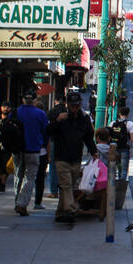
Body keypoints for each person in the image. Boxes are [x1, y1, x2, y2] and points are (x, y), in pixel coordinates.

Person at [47, 90, 95, 224]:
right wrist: (57, 121)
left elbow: (88, 137)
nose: (75, 108)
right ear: (68, 105)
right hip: (61, 157)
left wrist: (94, 151)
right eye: (73, 106)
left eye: (77, 105)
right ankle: (70, 209)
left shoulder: (84, 118)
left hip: (76, 158)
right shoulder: (60, 115)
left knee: (68, 186)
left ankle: (60, 213)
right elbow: (48, 131)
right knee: (66, 185)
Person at [14, 91, 48, 217]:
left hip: (18, 149)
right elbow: (46, 132)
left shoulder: (16, 112)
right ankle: (22, 204)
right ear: (35, 100)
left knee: (18, 175)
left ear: (23, 99)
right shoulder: (40, 114)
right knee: (30, 178)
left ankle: (17, 201)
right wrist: (43, 145)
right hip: (33, 149)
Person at [0, 100, 24, 192]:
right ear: (1, 108)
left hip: (7, 145)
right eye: (4, 106)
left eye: (8, 107)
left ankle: (2, 183)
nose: (6, 108)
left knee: (5, 165)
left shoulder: (11, 120)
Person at [109, 105, 133, 182]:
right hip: (124, 148)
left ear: (119, 113)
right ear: (128, 114)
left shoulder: (112, 123)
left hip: (114, 148)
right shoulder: (130, 124)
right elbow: (132, 139)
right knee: (124, 169)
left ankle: (113, 185)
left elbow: (109, 136)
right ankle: (122, 186)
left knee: (114, 167)